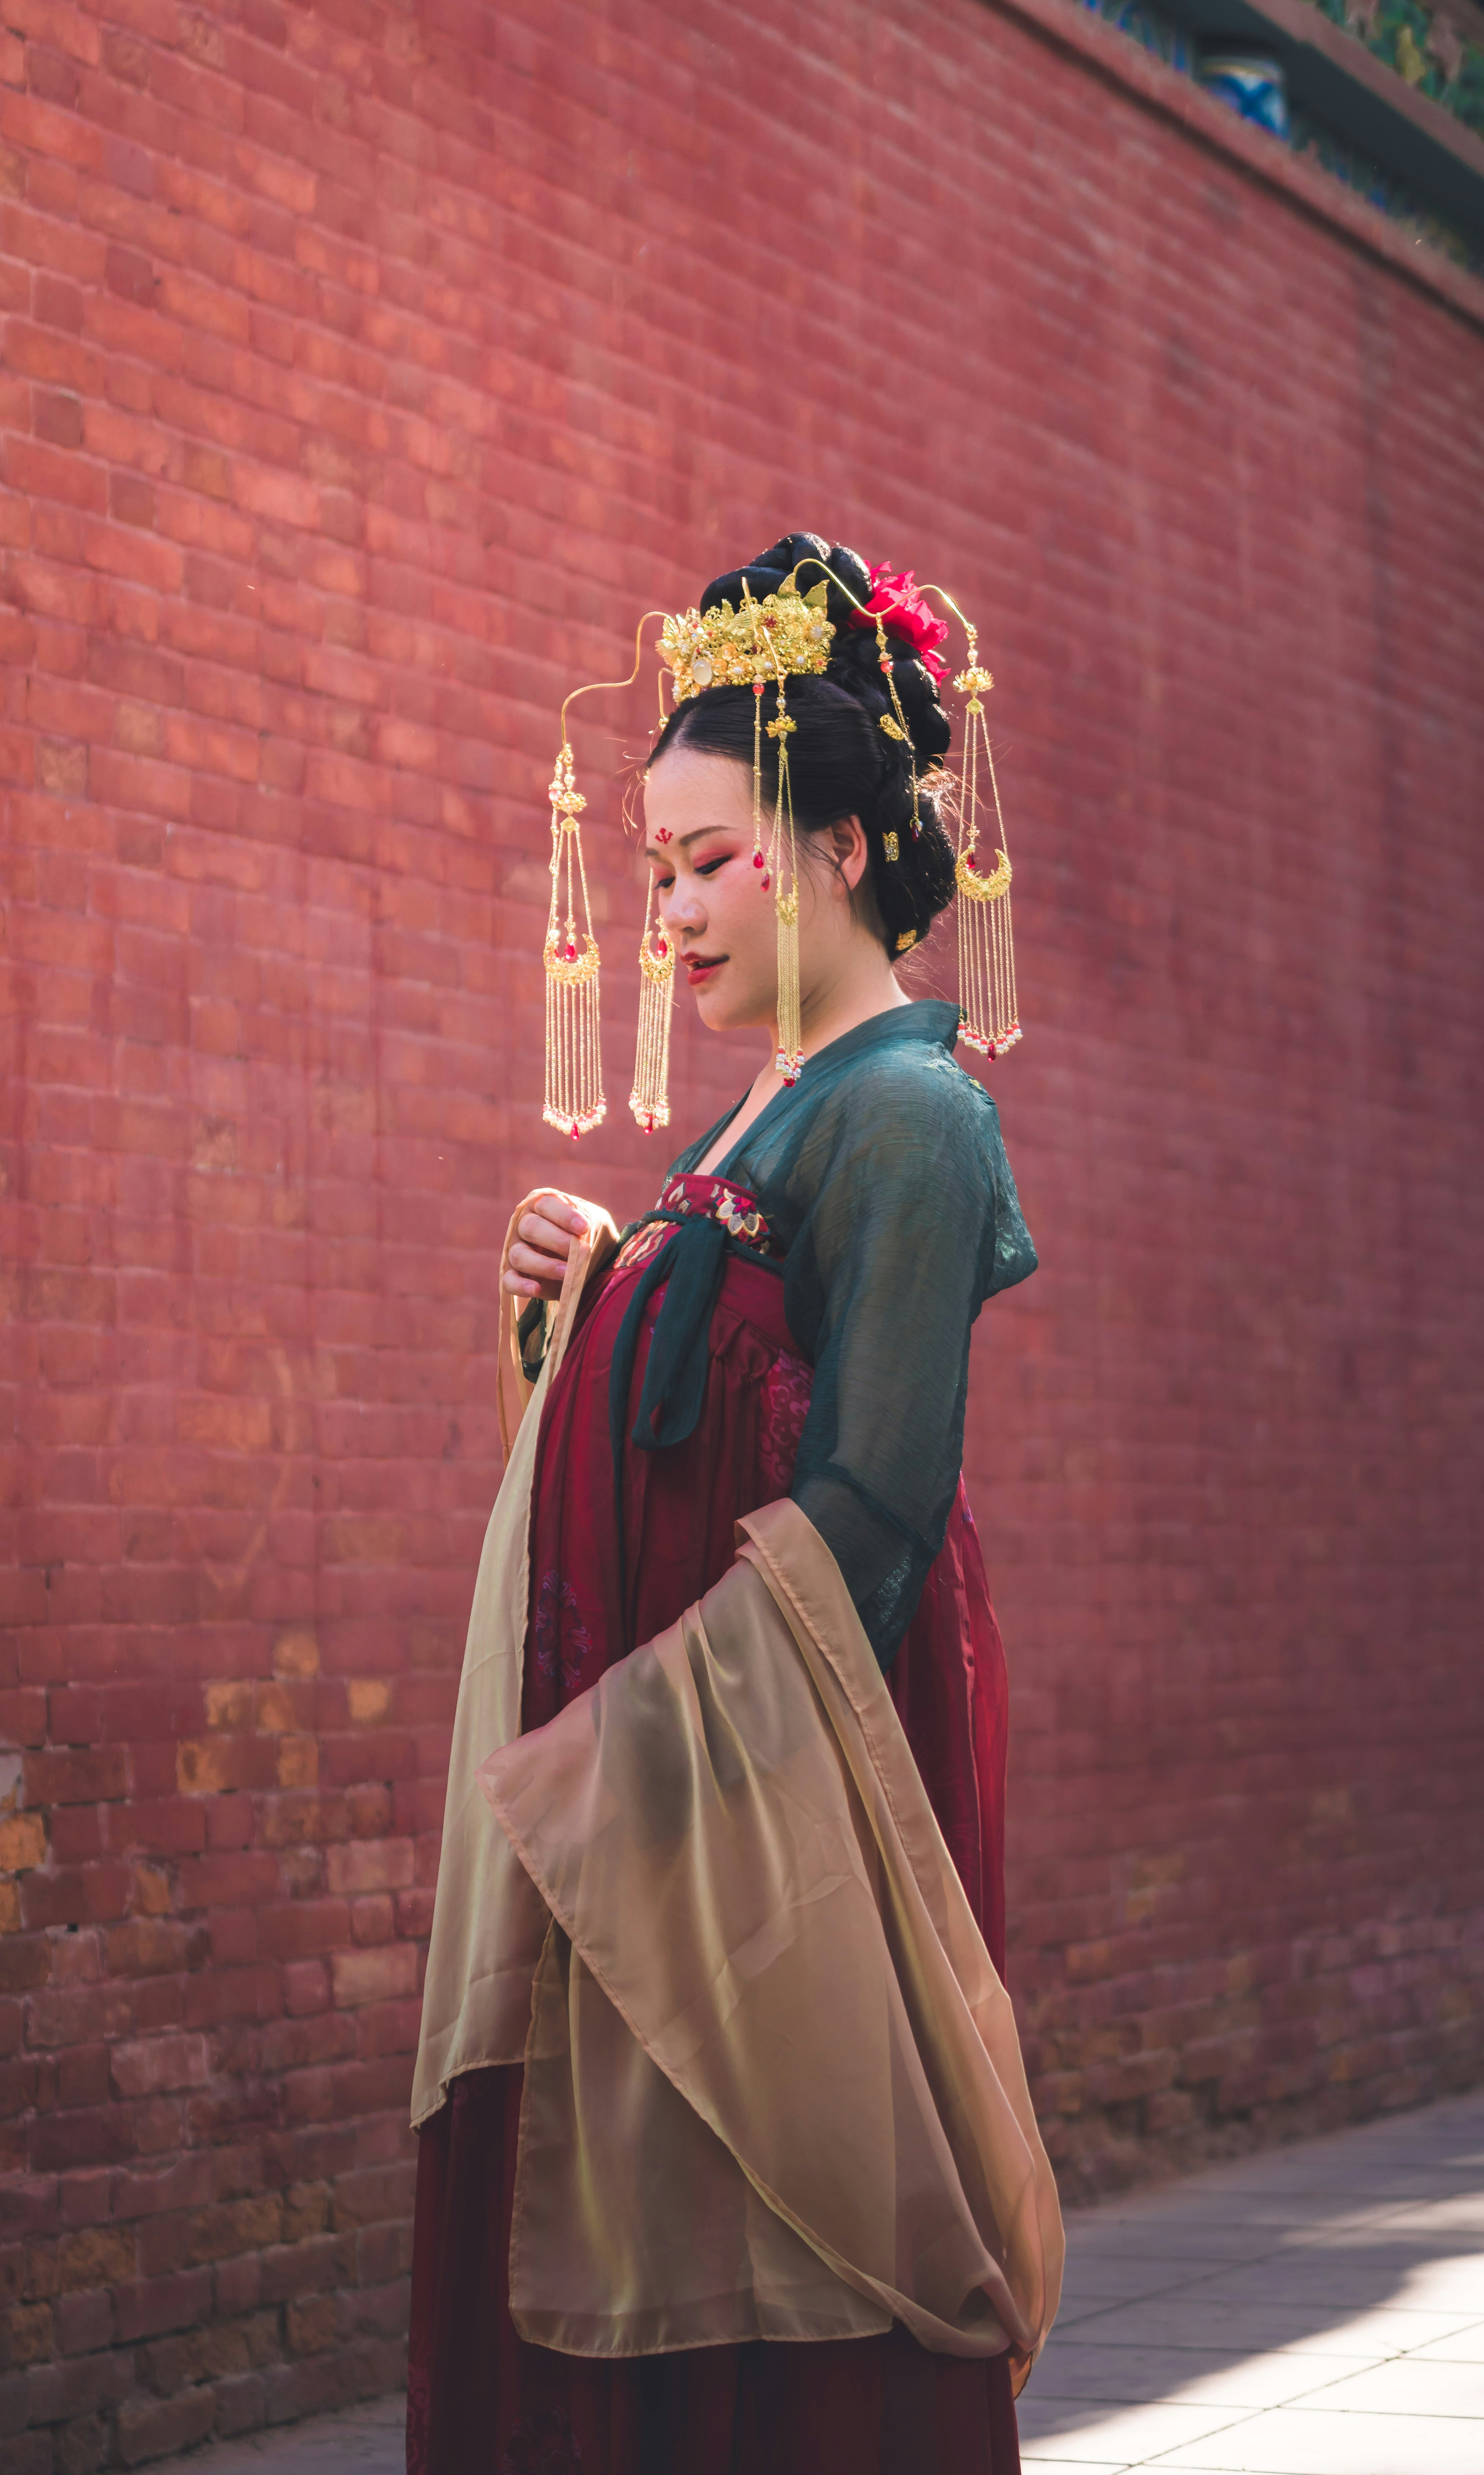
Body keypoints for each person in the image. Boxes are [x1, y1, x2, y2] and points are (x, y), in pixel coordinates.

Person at [406, 534, 1055, 2475]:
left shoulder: (913, 1117)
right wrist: (596, 1289)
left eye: (710, 859)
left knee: (778, 2260)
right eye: (658, 864)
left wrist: (649, 1775)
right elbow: (717, 1389)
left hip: (769, 1789)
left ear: (844, 848)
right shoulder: (761, 1107)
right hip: (668, 1755)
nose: (669, 907)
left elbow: (868, 1506)